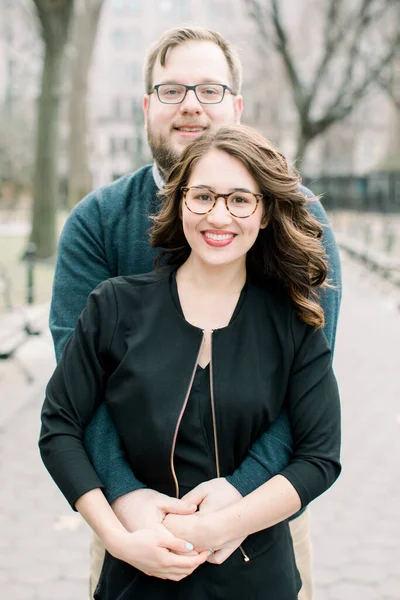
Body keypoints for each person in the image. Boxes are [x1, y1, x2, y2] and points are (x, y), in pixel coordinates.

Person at [49, 27, 342, 600]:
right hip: (133, 520)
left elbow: (308, 403)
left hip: (262, 512)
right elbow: (75, 395)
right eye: (171, 89)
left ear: (236, 106)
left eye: (209, 90)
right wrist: (127, 500)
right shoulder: (97, 223)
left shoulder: (298, 222)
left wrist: (238, 499)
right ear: (146, 106)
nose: (190, 105)